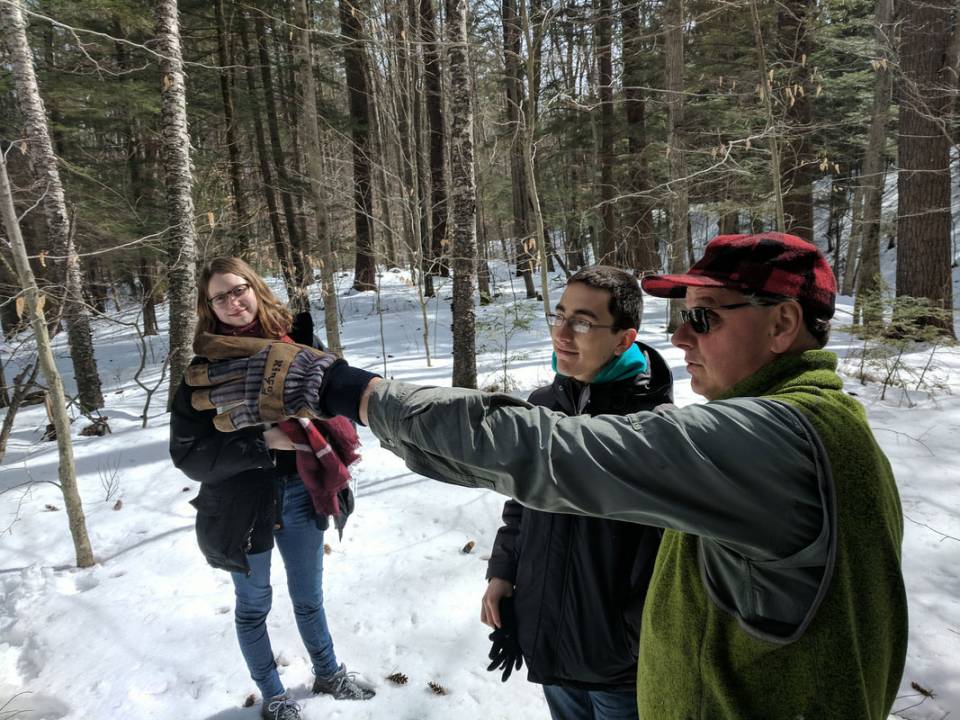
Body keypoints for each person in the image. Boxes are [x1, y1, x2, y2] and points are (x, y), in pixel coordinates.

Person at [186, 234, 908, 719]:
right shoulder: (803, 428)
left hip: (618, 665)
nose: (682, 333)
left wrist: (349, 389)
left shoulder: (777, 442)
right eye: (682, 315)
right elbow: (530, 492)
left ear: (782, 325)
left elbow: (547, 453)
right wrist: (512, 578)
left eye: (706, 318)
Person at [169, 257, 374, 720]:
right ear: (208, 307)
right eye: (219, 297)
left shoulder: (298, 344)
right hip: (242, 506)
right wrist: (263, 442)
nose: (232, 302)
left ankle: (328, 673)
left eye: (238, 289)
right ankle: (275, 697)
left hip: (303, 491)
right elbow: (188, 455)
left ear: (255, 287)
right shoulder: (202, 373)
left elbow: (337, 395)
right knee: (253, 605)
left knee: (309, 598)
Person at [481, 267, 672, 719]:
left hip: (619, 665)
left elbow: (664, 552)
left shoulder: (653, 426)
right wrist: (503, 573)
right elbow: (521, 501)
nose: (562, 333)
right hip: (548, 642)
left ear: (624, 339)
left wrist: (631, 638)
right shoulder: (541, 405)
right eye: (559, 315)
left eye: (583, 322)